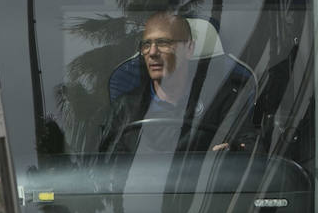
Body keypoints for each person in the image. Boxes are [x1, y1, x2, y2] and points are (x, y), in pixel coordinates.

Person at [98, 11, 256, 154]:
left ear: (189, 48)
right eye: (146, 44)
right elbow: (105, 168)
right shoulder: (125, 107)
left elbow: (250, 149)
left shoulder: (221, 100)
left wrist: (232, 151)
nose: (152, 52)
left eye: (163, 43)